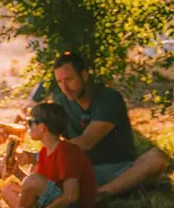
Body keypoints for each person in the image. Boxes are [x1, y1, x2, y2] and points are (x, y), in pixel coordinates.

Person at [27, 51, 169, 198]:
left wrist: (38, 156)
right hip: (83, 170)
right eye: (60, 82)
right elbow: (50, 137)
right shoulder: (61, 102)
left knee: (157, 158)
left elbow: (87, 141)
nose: (65, 87)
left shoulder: (108, 98)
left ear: (84, 75)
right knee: (37, 171)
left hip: (120, 169)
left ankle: (101, 194)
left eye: (69, 79)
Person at [0, 103, 97, 208]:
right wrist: (17, 173)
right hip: (55, 202)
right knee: (8, 190)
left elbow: (72, 195)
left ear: (42, 127)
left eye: (30, 123)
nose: (28, 127)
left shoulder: (66, 151)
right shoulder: (44, 151)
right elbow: (37, 188)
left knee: (33, 179)